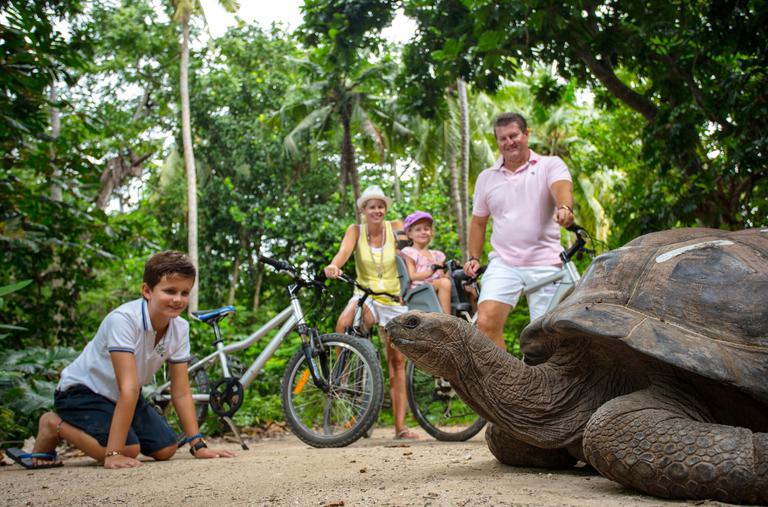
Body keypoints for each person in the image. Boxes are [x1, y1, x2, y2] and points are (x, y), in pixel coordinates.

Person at [7, 251, 235, 470]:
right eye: (170, 291)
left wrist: (198, 445)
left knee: (167, 448)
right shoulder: (124, 320)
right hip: (82, 392)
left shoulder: (180, 327)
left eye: (185, 293)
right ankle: (52, 424)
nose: (178, 299)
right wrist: (113, 454)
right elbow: (129, 387)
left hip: (122, 396)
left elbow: (181, 391)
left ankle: (114, 443)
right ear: (147, 290)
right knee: (128, 449)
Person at [463, 112, 575, 350]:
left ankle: (541, 384)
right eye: (502, 139)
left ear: (526, 134)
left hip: (546, 262)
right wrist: (473, 257)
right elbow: (478, 222)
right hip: (504, 262)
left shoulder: (549, 165)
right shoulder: (486, 178)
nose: (509, 142)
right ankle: (507, 384)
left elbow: (561, 188)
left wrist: (564, 208)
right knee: (485, 322)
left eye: (513, 135)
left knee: (545, 339)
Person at [324, 185, 418, 440]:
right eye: (371, 206)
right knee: (343, 323)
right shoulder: (355, 231)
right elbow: (343, 253)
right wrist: (334, 265)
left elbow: (408, 247)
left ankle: (401, 427)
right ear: (363, 210)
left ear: (385, 209)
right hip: (365, 295)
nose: (376, 210)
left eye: (380, 206)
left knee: (397, 362)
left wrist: (413, 248)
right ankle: (342, 378)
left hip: (393, 299)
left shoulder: (395, 225)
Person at [400, 211, 452, 314]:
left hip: (434, 286)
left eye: (426, 229)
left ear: (431, 232)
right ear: (410, 234)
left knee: (466, 286)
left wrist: (448, 272)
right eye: (418, 229)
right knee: (445, 283)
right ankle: (448, 320)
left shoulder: (436, 255)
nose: (423, 232)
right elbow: (412, 276)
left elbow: (441, 277)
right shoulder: (410, 252)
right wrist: (430, 271)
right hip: (419, 290)